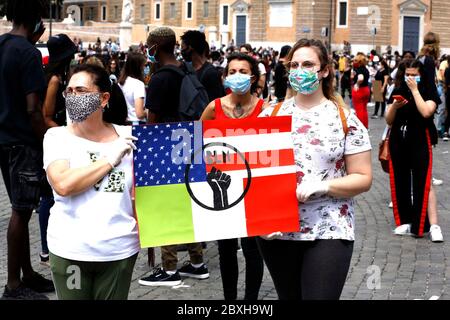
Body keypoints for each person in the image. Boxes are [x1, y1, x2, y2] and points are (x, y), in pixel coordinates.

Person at [257, 38, 372, 300]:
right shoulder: (270, 116)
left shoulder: (345, 118)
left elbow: (363, 178)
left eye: (308, 64)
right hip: (277, 231)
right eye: (294, 65)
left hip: (330, 226)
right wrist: (257, 221)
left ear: (324, 70)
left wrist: (323, 186)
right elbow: (251, 175)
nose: (300, 70)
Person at [43, 64, 140, 299]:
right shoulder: (57, 137)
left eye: (81, 91)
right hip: (70, 250)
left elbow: (139, 194)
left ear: (103, 98)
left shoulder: (129, 138)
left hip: (118, 250)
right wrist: (109, 159)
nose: (73, 97)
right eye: (69, 92)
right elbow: (63, 184)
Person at [139, 27, 209, 286]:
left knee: (165, 206)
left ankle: (169, 270)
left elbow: (152, 120)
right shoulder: (185, 69)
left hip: (166, 146)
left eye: (149, 44)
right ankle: (197, 262)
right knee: (188, 204)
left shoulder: (160, 78)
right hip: (190, 142)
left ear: (155, 46)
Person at [0, 0, 54, 300]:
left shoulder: (2, 45)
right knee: (21, 211)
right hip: (23, 141)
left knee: (19, 206)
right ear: (35, 20)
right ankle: (12, 286)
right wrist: (47, 139)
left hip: (4, 139)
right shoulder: (29, 53)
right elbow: (34, 109)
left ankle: (27, 274)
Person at [200, 52, 265, 300]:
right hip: (223, 187)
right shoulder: (213, 108)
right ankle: (230, 301)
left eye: (243, 71)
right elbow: (198, 143)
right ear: (225, 77)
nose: (237, 76)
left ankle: (250, 301)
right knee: (226, 249)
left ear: (253, 77)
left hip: (253, 189)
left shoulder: (264, 109)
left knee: (252, 250)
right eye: (232, 71)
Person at [386, 59, 443, 241]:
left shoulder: (428, 89)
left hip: (420, 138)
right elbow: (388, 119)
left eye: (414, 75)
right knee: (401, 180)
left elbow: (426, 111)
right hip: (399, 139)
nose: (410, 78)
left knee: (424, 181)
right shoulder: (398, 88)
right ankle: (407, 221)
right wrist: (395, 106)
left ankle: (433, 225)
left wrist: (415, 91)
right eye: (408, 74)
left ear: (421, 75)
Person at [38, 33, 77, 267]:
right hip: (55, 138)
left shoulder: (60, 76)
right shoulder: (54, 79)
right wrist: (65, 132)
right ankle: (45, 249)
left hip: (60, 135)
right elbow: (46, 116)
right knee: (47, 197)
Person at [180, 30, 225, 102]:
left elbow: (215, 104)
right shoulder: (187, 70)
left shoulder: (211, 73)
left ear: (190, 48)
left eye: (182, 47)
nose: (181, 51)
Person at [118, 52, 147, 125]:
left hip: (123, 124)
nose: (145, 68)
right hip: (136, 124)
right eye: (144, 65)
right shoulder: (138, 84)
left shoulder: (120, 83)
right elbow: (139, 114)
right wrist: (147, 111)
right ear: (138, 67)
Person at [351, 53, 371, 128]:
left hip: (359, 90)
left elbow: (360, 78)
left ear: (359, 62)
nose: (354, 62)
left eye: (355, 60)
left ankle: (360, 127)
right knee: (364, 109)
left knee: (359, 110)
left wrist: (357, 84)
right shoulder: (366, 69)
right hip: (366, 89)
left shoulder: (357, 69)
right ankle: (365, 126)